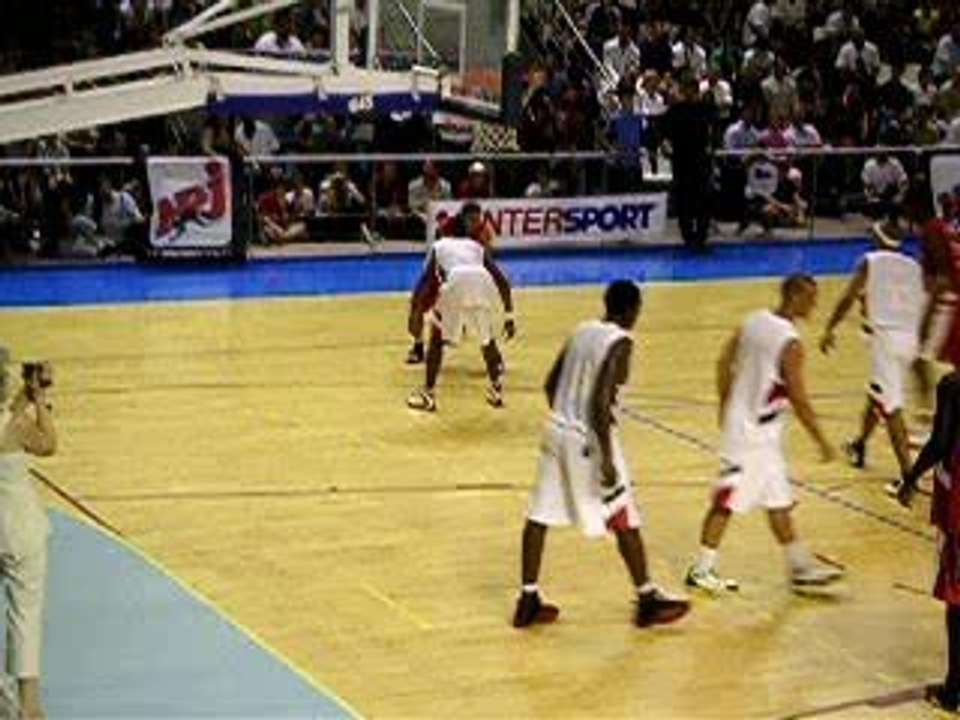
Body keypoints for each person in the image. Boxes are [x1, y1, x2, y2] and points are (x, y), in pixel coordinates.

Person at [514, 280, 690, 628]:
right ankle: (647, 598)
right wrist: (605, 457)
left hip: (556, 429)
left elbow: (550, 383)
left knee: (539, 513)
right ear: (632, 310)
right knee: (623, 514)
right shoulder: (621, 342)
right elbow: (599, 400)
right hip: (588, 438)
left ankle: (528, 598)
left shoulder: (582, 330)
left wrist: (565, 417)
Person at [686, 274, 843, 593]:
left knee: (778, 500)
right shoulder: (791, 343)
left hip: (756, 431)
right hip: (753, 434)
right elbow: (798, 397)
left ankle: (799, 568)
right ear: (794, 296)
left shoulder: (753, 320)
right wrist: (821, 440)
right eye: (810, 297)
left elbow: (723, 362)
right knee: (726, 499)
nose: (815, 304)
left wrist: (726, 402)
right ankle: (702, 568)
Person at [819, 217, 924, 492]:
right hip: (910, 338)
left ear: (878, 239)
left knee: (891, 408)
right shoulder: (914, 265)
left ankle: (908, 477)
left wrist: (830, 327)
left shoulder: (870, 261)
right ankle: (860, 444)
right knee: (876, 392)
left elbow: (848, 297)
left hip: (887, 340)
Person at [406, 202, 514, 412]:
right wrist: (509, 316)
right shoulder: (476, 247)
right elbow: (501, 280)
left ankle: (428, 394)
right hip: (480, 280)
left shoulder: (438, 246)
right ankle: (496, 390)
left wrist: (416, 310)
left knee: (437, 340)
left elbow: (426, 281)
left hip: (456, 278)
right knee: (486, 340)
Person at [897, 370, 960, 712]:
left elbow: (941, 442)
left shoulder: (952, 386)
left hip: (958, 507)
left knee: (957, 599)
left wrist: (910, 477)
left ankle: (954, 688)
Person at [0, 350, 56, 719]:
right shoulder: (15, 427)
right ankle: (29, 704)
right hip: (20, 530)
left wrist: (26, 395)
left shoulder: (11, 423)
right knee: (26, 613)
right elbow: (48, 443)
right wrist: (39, 399)